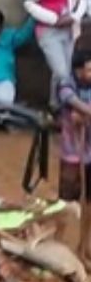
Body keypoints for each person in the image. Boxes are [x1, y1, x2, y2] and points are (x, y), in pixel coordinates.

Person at [23, 0, 87, 107]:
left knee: (63, 70)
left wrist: (74, 17)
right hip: (47, 30)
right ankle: (64, 106)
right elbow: (29, 2)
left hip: (69, 28)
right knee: (61, 71)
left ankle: (55, 105)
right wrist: (53, 19)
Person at [55, 49, 91, 260]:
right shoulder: (66, 83)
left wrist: (84, 114)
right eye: (88, 69)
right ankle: (59, 247)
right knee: (66, 204)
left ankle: (83, 247)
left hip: (89, 154)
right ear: (78, 71)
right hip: (71, 153)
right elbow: (69, 100)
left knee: (89, 203)